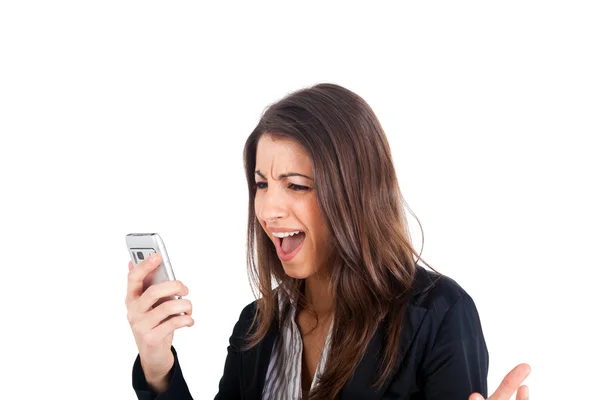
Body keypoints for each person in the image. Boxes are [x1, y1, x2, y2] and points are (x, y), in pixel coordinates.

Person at [125, 83, 531, 399]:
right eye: (262, 185)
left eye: (297, 186)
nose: (267, 210)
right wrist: (157, 367)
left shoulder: (439, 313)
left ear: (356, 193)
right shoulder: (256, 326)